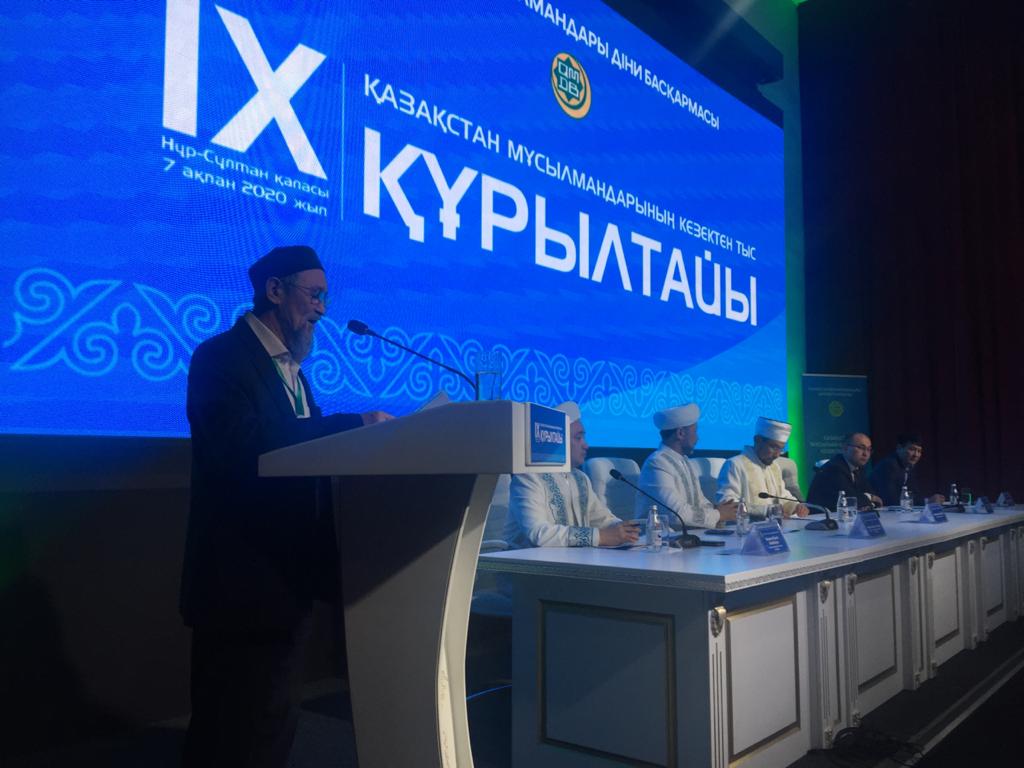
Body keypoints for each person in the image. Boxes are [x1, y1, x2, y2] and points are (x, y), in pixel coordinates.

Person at [180, 245, 391, 768]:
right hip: (238, 583)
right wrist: (352, 425)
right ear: (274, 290)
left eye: (325, 297)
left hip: (287, 582)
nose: (322, 308)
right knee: (227, 729)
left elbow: (305, 451)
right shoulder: (220, 357)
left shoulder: (294, 372)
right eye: (314, 294)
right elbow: (240, 445)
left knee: (272, 723)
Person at [505, 401, 640, 548]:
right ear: (558, 441)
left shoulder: (580, 478)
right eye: (578, 438)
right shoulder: (529, 477)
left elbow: (602, 518)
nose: (586, 445)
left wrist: (625, 530)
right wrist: (600, 536)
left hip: (574, 559)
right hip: (526, 561)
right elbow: (539, 533)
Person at [635, 403, 738, 528]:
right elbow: (676, 513)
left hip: (686, 535)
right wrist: (718, 514)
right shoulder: (657, 463)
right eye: (695, 432)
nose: (697, 438)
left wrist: (718, 509)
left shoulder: (685, 461)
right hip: (659, 537)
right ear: (680, 433)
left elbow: (699, 501)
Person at [716, 417, 810, 518]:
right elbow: (728, 503)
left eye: (781, 449)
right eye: (774, 447)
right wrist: (766, 511)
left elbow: (783, 496)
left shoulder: (774, 467)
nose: (777, 455)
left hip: (774, 524)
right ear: (757, 440)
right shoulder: (735, 464)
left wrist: (796, 506)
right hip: (746, 526)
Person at [806, 432, 882, 511]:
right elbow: (850, 500)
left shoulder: (859, 469)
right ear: (845, 448)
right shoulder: (834, 468)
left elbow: (876, 499)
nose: (865, 454)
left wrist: (869, 500)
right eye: (861, 447)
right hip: (821, 516)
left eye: (869, 449)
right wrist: (870, 497)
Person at [869, 433, 944, 506]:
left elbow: (914, 494)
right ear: (899, 448)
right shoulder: (889, 466)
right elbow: (891, 500)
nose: (916, 455)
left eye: (919, 451)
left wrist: (928, 500)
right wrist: (927, 501)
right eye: (912, 449)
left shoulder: (908, 466)